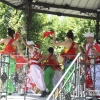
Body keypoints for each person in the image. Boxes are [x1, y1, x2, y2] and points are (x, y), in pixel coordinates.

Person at [0, 28, 25, 94]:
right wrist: (25, 58)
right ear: (13, 34)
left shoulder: (4, 40)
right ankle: (9, 90)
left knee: (5, 74)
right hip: (12, 59)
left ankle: (7, 90)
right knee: (8, 74)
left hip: (5, 58)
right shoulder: (16, 42)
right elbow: (20, 52)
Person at [83, 32, 100, 97]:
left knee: (97, 79)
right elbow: (88, 55)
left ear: (92, 38)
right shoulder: (87, 46)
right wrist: (86, 59)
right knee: (92, 79)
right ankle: (94, 94)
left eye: (89, 38)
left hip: (97, 65)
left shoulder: (97, 45)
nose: (88, 39)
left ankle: (98, 95)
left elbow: (99, 54)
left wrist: (94, 50)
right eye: (87, 38)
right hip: (91, 64)